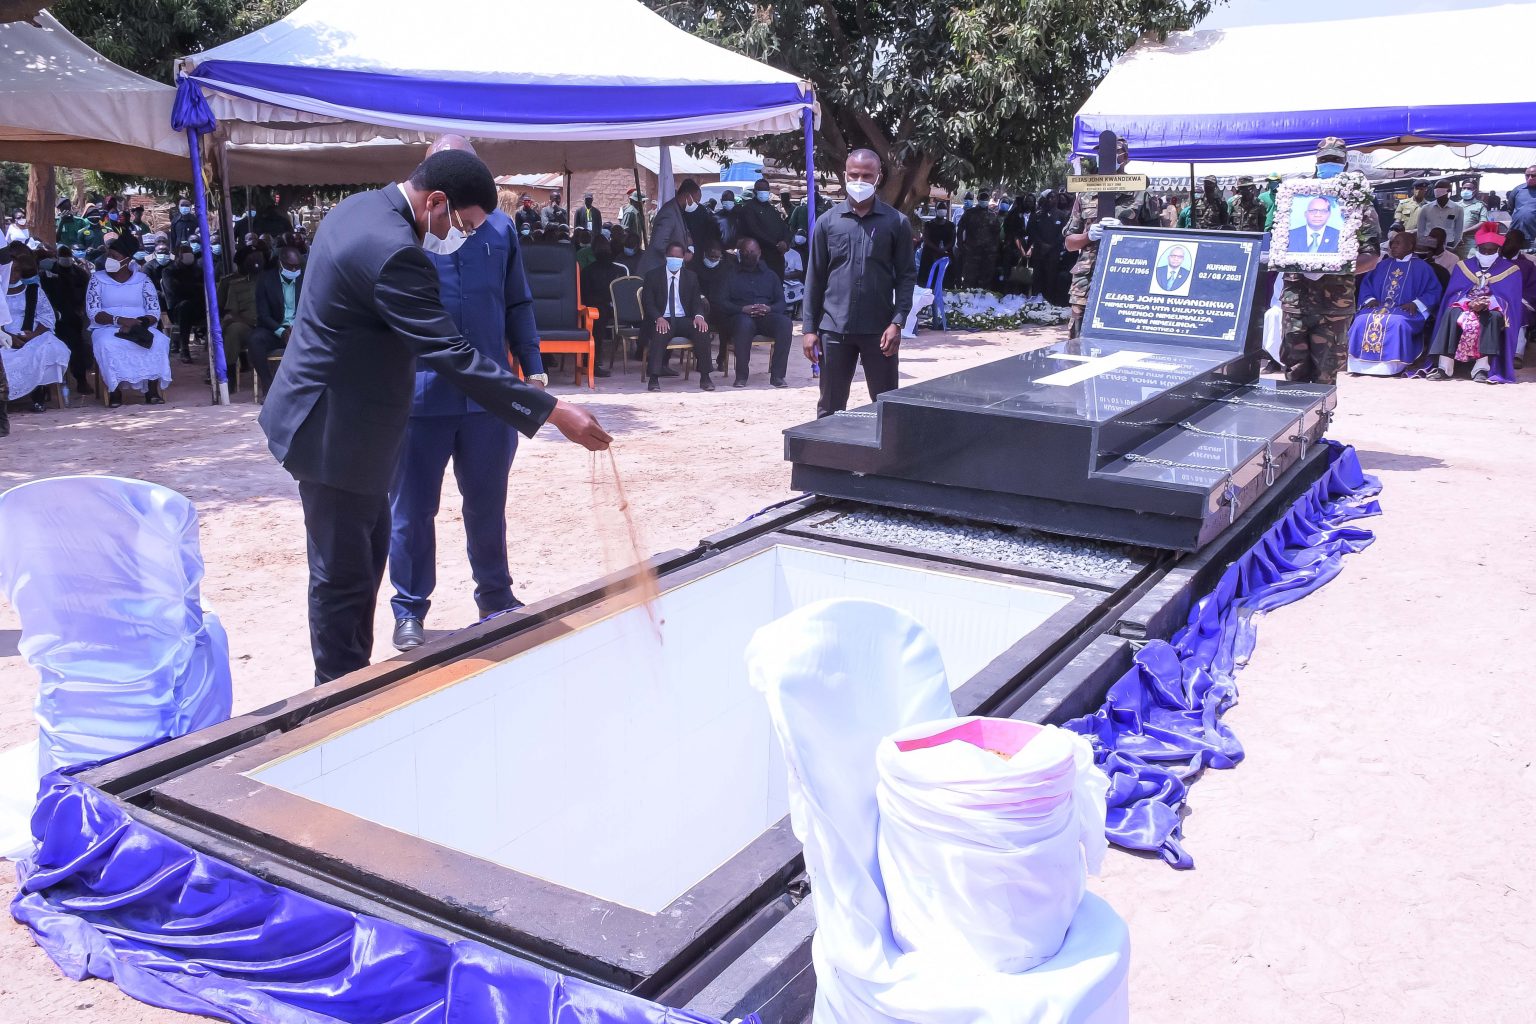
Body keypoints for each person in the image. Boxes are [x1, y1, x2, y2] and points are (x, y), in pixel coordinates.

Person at [257, 148, 610, 684]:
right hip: (335, 432)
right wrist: (552, 409)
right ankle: (335, 699)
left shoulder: (359, 208)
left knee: (364, 560)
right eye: (460, 225)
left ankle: (350, 683)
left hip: (340, 420)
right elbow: (451, 353)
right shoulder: (396, 252)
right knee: (343, 578)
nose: (457, 238)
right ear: (437, 202)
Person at [387, 136, 551, 652]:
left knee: (487, 503)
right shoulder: (406, 231)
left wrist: (534, 370)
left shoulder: (499, 228)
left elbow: (518, 302)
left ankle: (495, 596)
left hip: (489, 399)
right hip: (420, 397)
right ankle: (409, 609)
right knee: (412, 510)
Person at [803, 148, 913, 418]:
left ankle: (888, 448)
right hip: (834, 329)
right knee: (830, 406)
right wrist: (809, 329)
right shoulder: (827, 223)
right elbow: (815, 277)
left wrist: (897, 322)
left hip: (880, 331)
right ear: (845, 176)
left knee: (887, 406)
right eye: (854, 175)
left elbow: (906, 276)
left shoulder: (896, 223)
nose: (859, 181)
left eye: (867, 176)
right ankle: (827, 447)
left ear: (878, 177)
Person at [1280, 137, 1376, 386]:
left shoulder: (1358, 203)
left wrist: (1335, 265)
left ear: (1345, 164)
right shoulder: (1295, 199)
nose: (1329, 164)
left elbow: (1371, 257)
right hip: (1297, 301)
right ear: (1316, 162)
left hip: (1334, 304)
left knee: (1325, 374)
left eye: (1335, 160)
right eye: (1325, 160)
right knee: (1293, 372)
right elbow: (1279, 242)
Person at [1062, 138, 1157, 338]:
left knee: (1121, 335)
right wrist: (1088, 235)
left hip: (1127, 275)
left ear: (1125, 157)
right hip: (1087, 278)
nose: (1105, 157)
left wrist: (1126, 232)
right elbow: (1069, 243)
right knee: (1077, 336)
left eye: (1113, 152)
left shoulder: (1141, 193)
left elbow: (1157, 239)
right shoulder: (1085, 193)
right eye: (1101, 152)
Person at [1422, 222, 1523, 384]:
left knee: (1493, 317)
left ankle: (1481, 368)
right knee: (1450, 312)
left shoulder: (1511, 270)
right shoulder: (1463, 266)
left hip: (1491, 308)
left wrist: (1488, 302)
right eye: (1483, 250)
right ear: (1477, 248)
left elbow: (1510, 301)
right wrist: (1468, 302)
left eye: (1491, 251)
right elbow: (1452, 295)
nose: (1487, 253)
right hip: (1465, 306)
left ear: (1498, 250)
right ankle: (1444, 367)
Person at [86, 235, 171, 407]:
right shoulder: (97, 280)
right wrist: (119, 320)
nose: (109, 260)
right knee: (107, 344)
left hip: (139, 325)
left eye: (114, 257)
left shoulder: (142, 280)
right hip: (107, 327)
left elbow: (153, 310)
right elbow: (93, 312)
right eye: (108, 255)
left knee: (159, 341)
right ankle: (114, 391)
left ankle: (152, 390)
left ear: (127, 260)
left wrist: (139, 323)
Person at [1346, 231, 1443, 376]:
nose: (1393, 246)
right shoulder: (1382, 265)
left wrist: (1416, 304)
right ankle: (1358, 364)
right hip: (1378, 307)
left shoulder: (1423, 268)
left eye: (1398, 243)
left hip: (1405, 310)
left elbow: (1433, 291)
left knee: (1397, 322)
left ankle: (1392, 365)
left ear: (1410, 246)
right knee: (1361, 319)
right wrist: (1369, 299)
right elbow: (1366, 285)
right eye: (1392, 243)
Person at [2, 244, 72, 413]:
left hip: (31, 334)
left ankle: (38, 393)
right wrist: (9, 337)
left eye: (17, 270)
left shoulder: (32, 289)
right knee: (6, 358)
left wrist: (33, 335)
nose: (13, 275)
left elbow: (47, 316)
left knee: (52, 349)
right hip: (3, 336)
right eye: (10, 270)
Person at [642, 242, 713, 392]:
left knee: (702, 331)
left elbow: (696, 302)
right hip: (663, 319)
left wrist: (699, 316)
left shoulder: (691, 277)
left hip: (683, 319)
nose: (674, 259)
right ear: (666, 256)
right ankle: (654, 378)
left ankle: (705, 377)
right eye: (671, 256)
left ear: (683, 258)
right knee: (659, 332)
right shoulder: (653, 276)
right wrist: (658, 317)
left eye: (678, 256)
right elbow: (648, 303)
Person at [720, 236, 791, 387]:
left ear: (759, 253)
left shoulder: (770, 275)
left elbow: (781, 303)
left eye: (752, 252)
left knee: (785, 323)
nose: (749, 255)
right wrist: (742, 309)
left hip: (766, 316)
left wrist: (769, 308)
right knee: (744, 324)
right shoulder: (730, 275)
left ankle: (778, 376)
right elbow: (722, 303)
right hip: (740, 316)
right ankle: (741, 377)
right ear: (740, 253)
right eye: (745, 252)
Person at [246, 246, 304, 396]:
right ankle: (268, 385)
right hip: (276, 330)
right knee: (255, 340)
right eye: (290, 266)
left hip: (301, 329)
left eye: (297, 266)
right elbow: (263, 315)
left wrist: (297, 328)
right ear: (280, 263)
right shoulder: (266, 280)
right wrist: (282, 332)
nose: (294, 270)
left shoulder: (305, 279)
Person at [582, 235, 630, 377]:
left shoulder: (588, 271)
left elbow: (584, 296)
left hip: (600, 308)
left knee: (595, 318)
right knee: (597, 316)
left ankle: (593, 360)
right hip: (613, 309)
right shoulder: (619, 270)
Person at [217, 249, 262, 392]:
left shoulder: (273, 281)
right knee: (233, 329)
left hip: (271, 325)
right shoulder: (235, 285)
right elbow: (230, 311)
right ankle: (229, 375)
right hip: (247, 326)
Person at [639, 178, 697, 276]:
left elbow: (681, 233)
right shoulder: (669, 213)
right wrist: (681, 256)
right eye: (696, 201)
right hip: (656, 270)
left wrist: (688, 243)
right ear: (687, 196)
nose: (697, 204)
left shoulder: (678, 210)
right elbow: (659, 243)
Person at [734, 177, 790, 277]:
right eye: (761, 189)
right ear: (755, 192)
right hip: (760, 258)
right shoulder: (748, 209)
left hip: (777, 257)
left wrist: (785, 242)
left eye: (766, 189)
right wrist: (775, 245)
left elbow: (783, 227)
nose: (764, 192)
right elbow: (754, 231)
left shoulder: (771, 209)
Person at [161, 241, 205, 364]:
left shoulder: (198, 270)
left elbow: (205, 288)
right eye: (185, 253)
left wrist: (188, 286)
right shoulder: (169, 271)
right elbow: (175, 290)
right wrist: (195, 287)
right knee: (185, 306)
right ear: (178, 256)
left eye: (190, 253)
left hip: (198, 306)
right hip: (177, 310)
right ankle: (184, 349)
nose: (188, 256)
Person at [1026, 192, 1067, 304]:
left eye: (1054, 197)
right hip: (1039, 251)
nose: (1052, 199)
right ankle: (1035, 299)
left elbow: (1063, 233)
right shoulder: (1037, 214)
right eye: (1050, 197)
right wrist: (1041, 243)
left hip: (1053, 252)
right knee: (1037, 276)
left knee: (1050, 277)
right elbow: (1031, 231)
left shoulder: (1062, 215)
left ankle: (1049, 301)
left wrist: (1051, 245)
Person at [956, 189, 1001, 289]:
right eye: (982, 198)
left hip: (987, 254)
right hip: (971, 252)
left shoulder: (993, 215)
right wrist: (960, 245)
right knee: (969, 280)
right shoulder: (969, 213)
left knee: (985, 280)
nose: (983, 200)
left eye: (986, 198)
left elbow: (996, 234)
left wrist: (994, 249)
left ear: (988, 199)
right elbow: (960, 230)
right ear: (978, 199)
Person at [1415, 183, 1464, 255]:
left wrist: (1454, 246)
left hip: (1448, 243)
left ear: (1449, 192)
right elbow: (1420, 230)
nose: (1440, 196)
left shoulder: (1458, 209)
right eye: (1437, 190)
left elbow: (1458, 230)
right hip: (1429, 243)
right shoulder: (1425, 208)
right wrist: (1423, 246)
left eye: (1441, 191)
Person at [918, 199, 955, 288]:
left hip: (946, 255)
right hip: (930, 256)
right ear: (936, 210)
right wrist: (937, 249)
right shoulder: (929, 224)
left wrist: (944, 249)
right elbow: (926, 239)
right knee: (928, 280)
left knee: (946, 281)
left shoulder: (951, 225)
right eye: (940, 208)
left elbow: (952, 240)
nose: (942, 210)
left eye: (944, 208)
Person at [1506, 166, 1536, 245]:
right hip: (1515, 234)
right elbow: (1510, 209)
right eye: (1527, 175)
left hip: (1533, 237)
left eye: (1533, 175)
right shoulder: (1518, 190)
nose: (1530, 178)